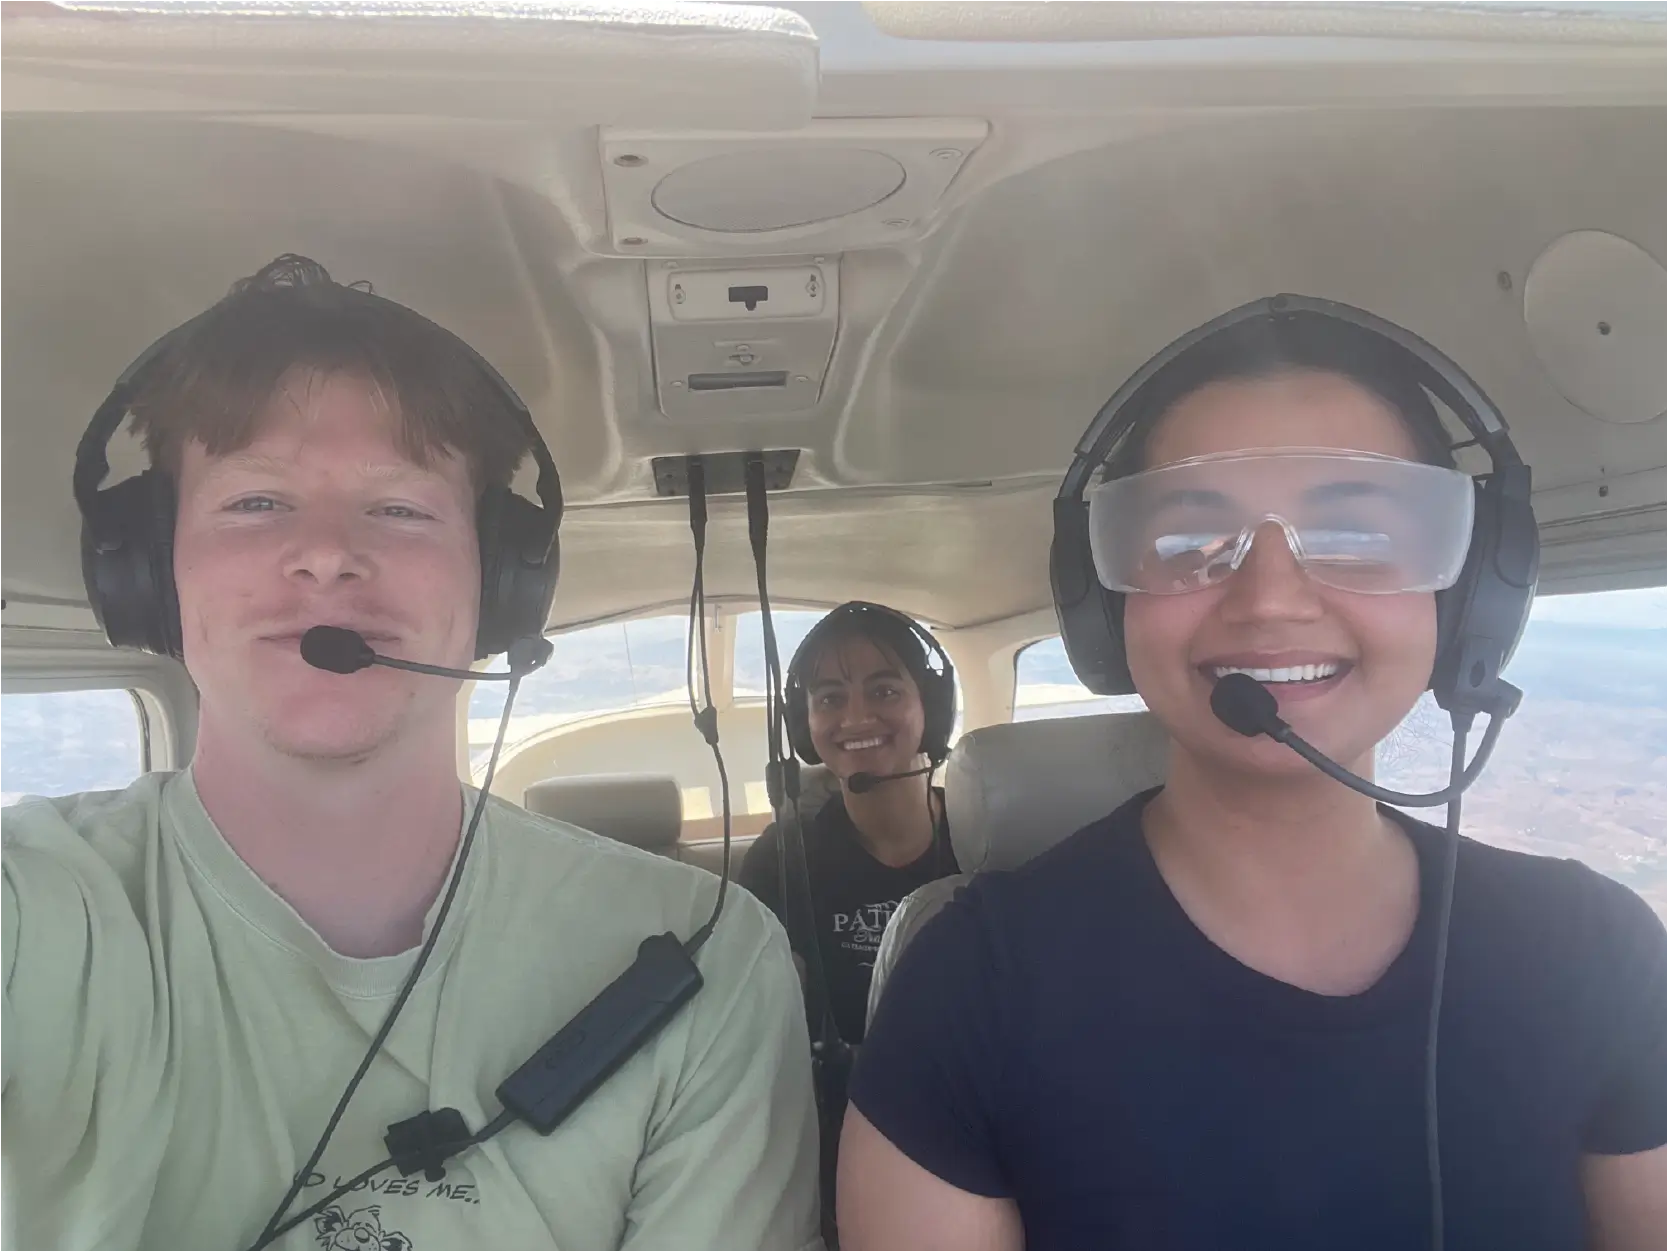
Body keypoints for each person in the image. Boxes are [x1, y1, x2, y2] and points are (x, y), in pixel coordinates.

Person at [0, 255, 821, 1251]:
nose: (329, 552)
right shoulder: (34, 910)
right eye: (257, 502)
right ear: (150, 573)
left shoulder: (704, 957)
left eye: (400, 507)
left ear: (500, 586)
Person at [837, 299, 1668, 1251]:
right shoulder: (965, 993)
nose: (1271, 597)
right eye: (1190, 541)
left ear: (1472, 590)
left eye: (1358, 534)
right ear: (1108, 611)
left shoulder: (1600, 956)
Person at [737, 601, 961, 1049]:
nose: (856, 718)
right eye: (830, 699)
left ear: (931, 708)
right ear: (805, 727)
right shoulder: (780, 861)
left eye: (884, 691)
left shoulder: (987, 840)